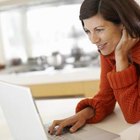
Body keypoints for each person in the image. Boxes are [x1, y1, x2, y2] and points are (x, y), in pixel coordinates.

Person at [49, 0, 140, 136]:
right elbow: (106, 96)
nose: (93, 40)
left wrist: (121, 56)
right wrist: (83, 114)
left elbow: (133, 114)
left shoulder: (118, 50)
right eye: (88, 31)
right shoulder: (110, 49)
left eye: (99, 30)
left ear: (123, 23)